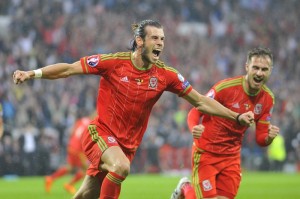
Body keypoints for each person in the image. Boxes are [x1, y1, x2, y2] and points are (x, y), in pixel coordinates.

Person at [13, 19, 254, 199]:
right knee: (120, 167)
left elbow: (200, 101)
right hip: (99, 134)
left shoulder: (166, 75)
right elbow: (68, 69)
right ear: (140, 41)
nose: (160, 43)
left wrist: (236, 116)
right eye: (154, 38)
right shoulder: (114, 62)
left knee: (87, 193)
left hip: (126, 146)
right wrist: (32, 73)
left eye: (162, 39)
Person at [170, 47, 280, 199]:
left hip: (231, 157)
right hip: (206, 152)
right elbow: (195, 111)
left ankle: (185, 189)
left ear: (270, 71)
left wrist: (269, 137)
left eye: (264, 69)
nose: (259, 73)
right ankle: (186, 187)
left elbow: (261, 138)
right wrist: (194, 127)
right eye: (255, 67)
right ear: (247, 67)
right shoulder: (226, 88)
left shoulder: (268, 99)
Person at [45, 115, 92, 195]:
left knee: (70, 167)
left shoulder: (81, 120)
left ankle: (50, 178)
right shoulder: (92, 124)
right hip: (79, 149)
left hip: (71, 145)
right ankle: (70, 185)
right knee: (86, 169)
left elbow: (72, 131)